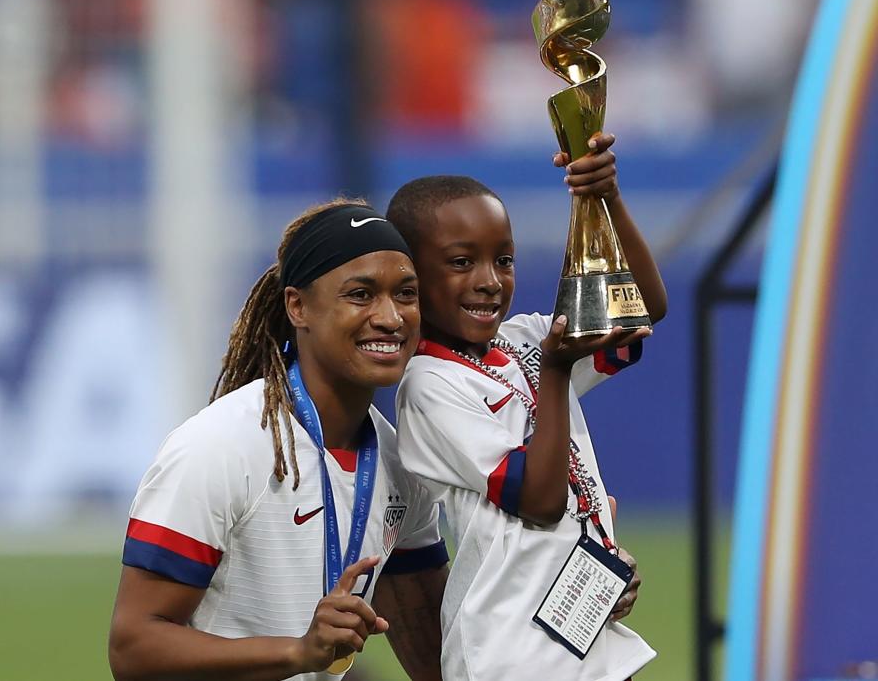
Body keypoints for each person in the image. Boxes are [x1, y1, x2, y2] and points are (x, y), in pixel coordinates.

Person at [108, 199, 449, 681]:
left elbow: (435, 652)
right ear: (298, 306)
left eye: (406, 294)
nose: (391, 317)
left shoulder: (400, 462)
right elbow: (133, 646)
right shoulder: (220, 446)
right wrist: (297, 653)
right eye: (361, 294)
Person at [386, 132, 667, 681]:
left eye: (504, 260)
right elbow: (537, 500)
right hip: (510, 652)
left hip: (584, 640)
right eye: (462, 262)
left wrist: (604, 198)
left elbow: (642, 307)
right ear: (411, 277)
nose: (489, 281)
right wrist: (557, 370)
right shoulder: (428, 385)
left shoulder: (524, 341)